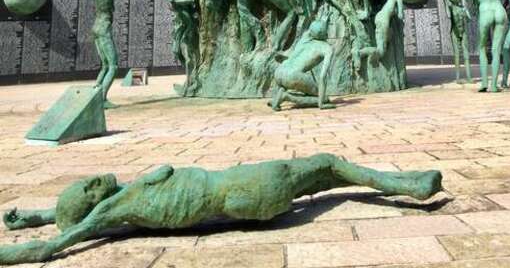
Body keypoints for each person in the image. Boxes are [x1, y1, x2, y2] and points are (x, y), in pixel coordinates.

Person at [0, 157, 442, 264]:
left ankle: (405, 185)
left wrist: (38, 215)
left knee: (327, 184)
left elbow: (68, 227)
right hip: (242, 187)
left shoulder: (117, 212)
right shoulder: (114, 206)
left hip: (242, 205)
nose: (98, 179)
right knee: (328, 165)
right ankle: (410, 185)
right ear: (96, 201)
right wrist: (11, 254)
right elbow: (56, 245)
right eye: (91, 186)